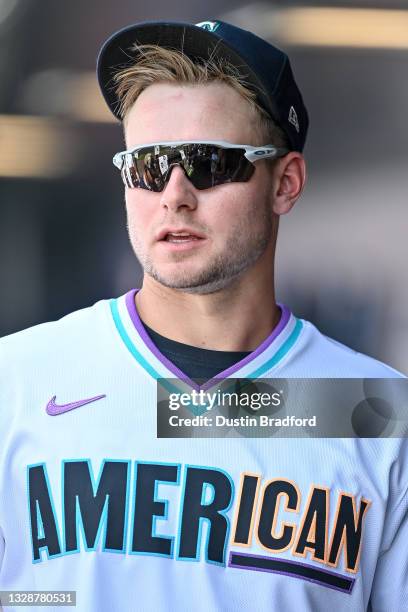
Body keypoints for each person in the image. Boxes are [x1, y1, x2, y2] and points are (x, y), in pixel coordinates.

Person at [0, 19, 406, 612]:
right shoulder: (17, 380)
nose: (174, 194)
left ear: (285, 183)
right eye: (147, 165)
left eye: (209, 163)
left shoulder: (376, 412)